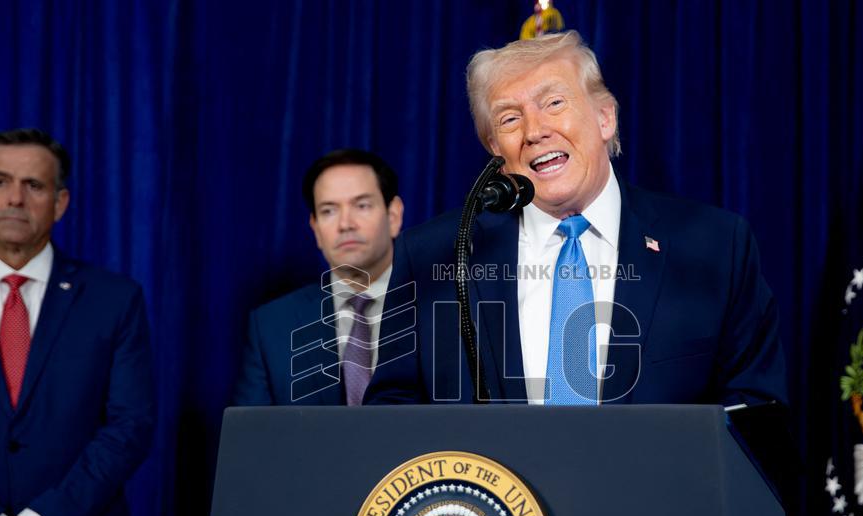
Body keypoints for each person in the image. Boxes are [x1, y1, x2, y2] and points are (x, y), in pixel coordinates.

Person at [366, 31, 787, 406]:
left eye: (554, 103)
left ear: (605, 118)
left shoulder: (715, 247)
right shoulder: (434, 256)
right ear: (495, 149)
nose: (534, 131)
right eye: (510, 118)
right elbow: (393, 411)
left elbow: (754, 410)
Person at [0, 128, 154, 516]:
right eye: (1, 181)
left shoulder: (116, 299)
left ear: (61, 202)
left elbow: (130, 428)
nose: (15, 198)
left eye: (34, 185)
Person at [233, 149, 404, 406]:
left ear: (393, 216)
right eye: (329, 211)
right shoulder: (271, 326)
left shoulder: (442, 310)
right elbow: (251, 430)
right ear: (315, 228)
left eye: (362, 206)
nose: (345, 224)